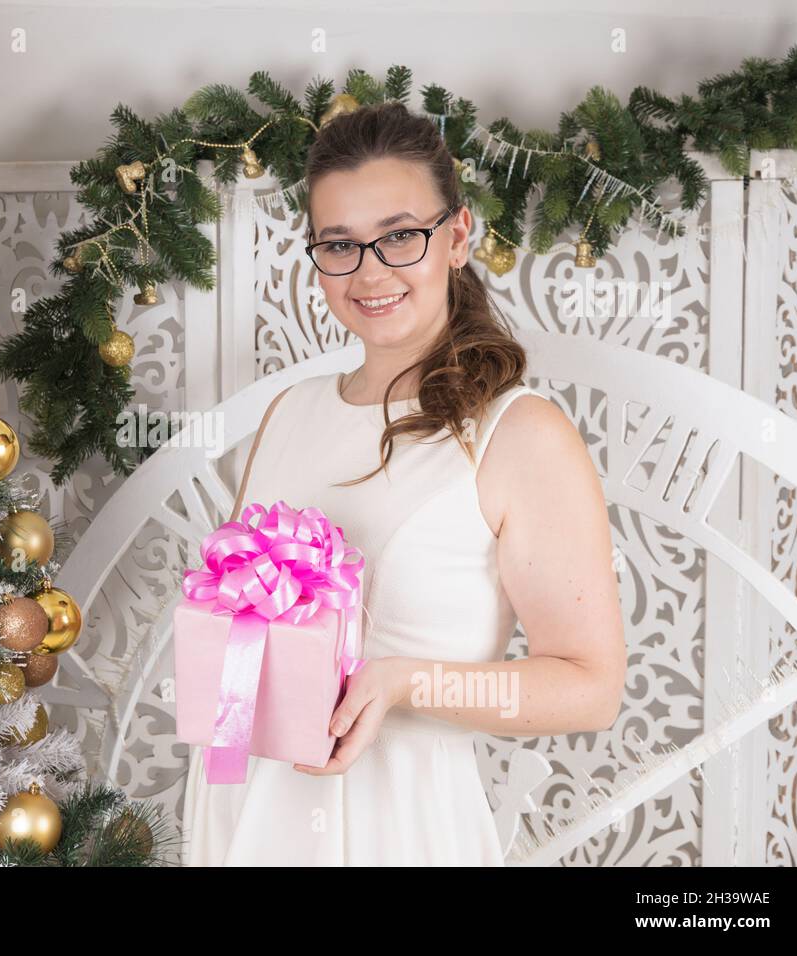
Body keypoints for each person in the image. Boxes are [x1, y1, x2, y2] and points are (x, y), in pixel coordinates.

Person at [181, 101, 627, 866]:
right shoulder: (290, 413)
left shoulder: (518, 434)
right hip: (242, 811)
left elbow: (591, 687)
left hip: (397, 825)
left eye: (399, 236)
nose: (371, 272)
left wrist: (405, 684)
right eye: (340, 245)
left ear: (456, 236)